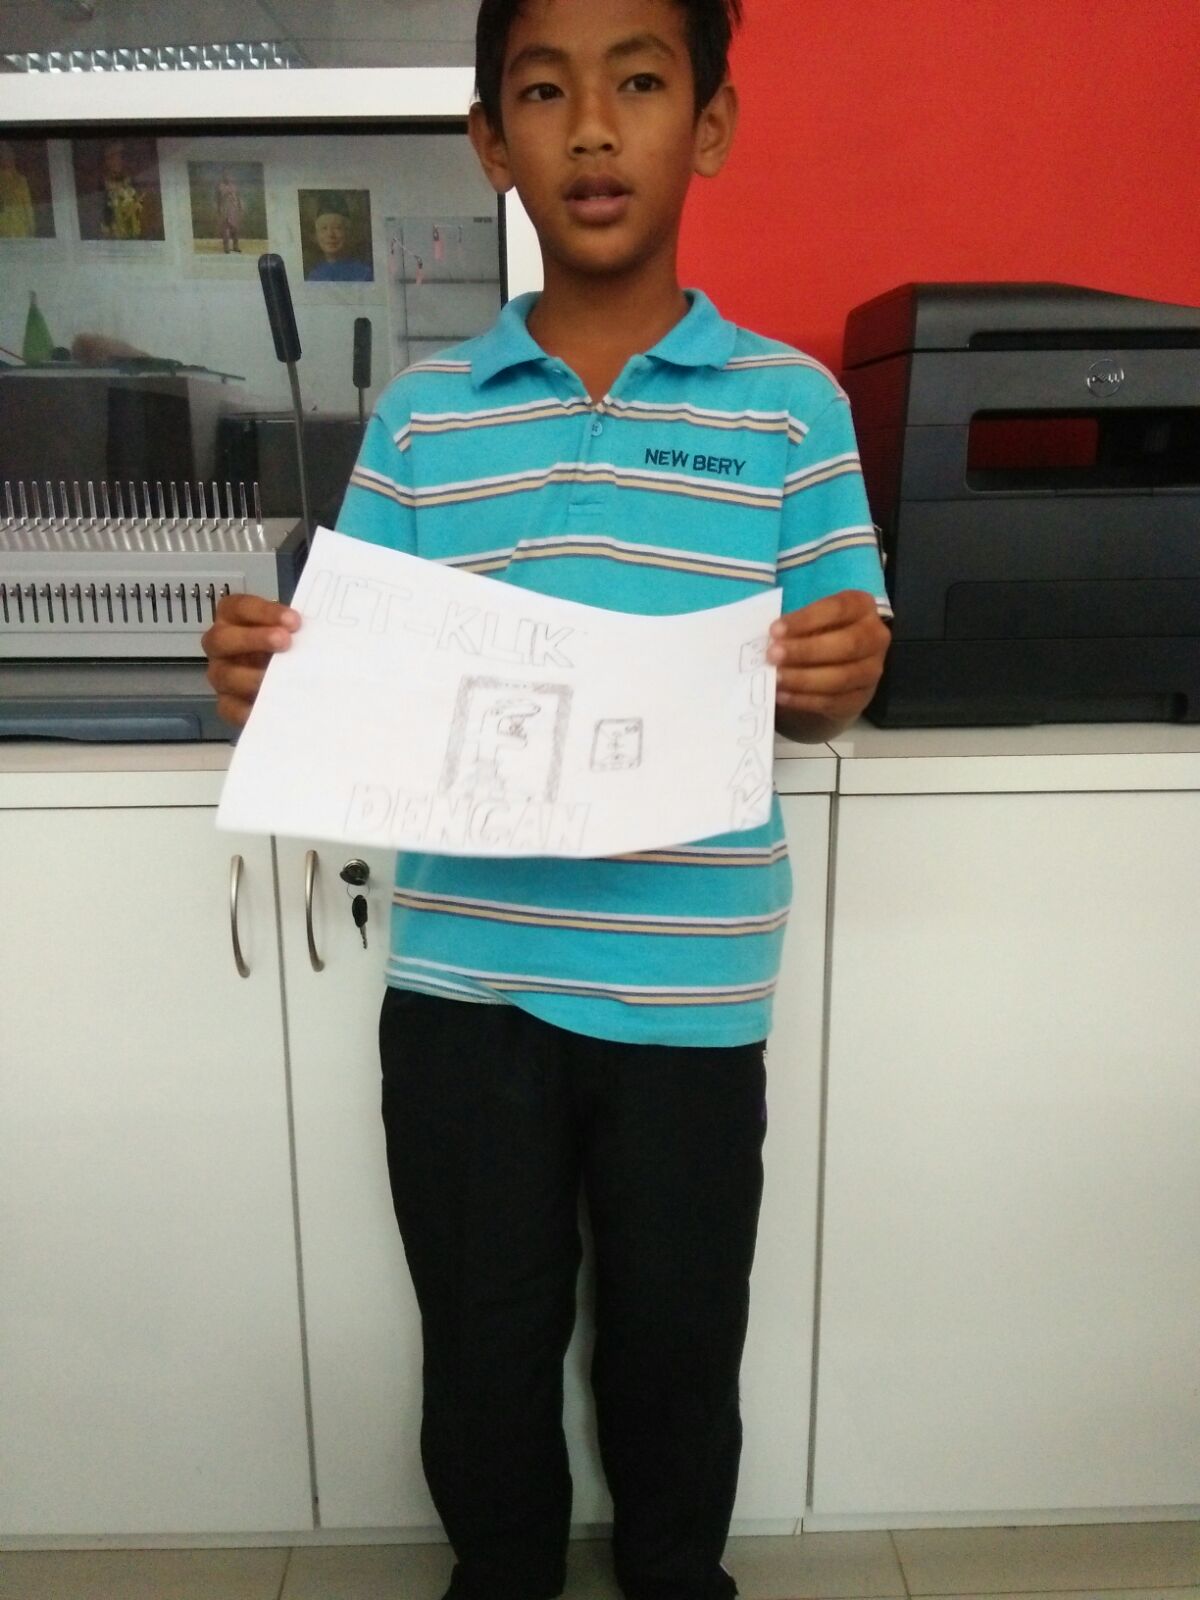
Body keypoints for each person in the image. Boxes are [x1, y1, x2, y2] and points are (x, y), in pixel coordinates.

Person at [202, 2, 892, 1596]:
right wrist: (270, 674)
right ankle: (500, 1577)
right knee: (482, 1348)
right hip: (467, 988)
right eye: (543, 88)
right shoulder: (426, 419)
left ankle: (675, 1578)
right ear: (489, 140)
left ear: (708, 124)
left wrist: (840, 671)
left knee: (675, 1347)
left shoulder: (789, 409)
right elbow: (354, 677)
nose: (591, 125)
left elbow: (833, 674)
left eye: (639, 82)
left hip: (688, 994)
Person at [305, 190, 373, 281]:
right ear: (316, 235)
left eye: (338, 228)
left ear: (348, 232)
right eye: (324, 228)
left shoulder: (364, 274)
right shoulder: (314, 275)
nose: (330, 235)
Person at [0, 141, 36, 238]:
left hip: (21, 232)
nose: (8, 157)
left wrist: (32, 230)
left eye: (9, 153)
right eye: (3, 154)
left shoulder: (21, 180)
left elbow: (28, 207)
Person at [215, 168, 244, 254]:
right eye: (225, 175)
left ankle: (235, 246)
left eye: (229, 175)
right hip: (225, 208)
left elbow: (238, 197)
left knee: (235, 229)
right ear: (223, 176)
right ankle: (226, 247)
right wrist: (218, 208)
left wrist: (240, 206)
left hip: (234, 209)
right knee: (226, 229)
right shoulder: (220, 186)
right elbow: (217, 199)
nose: (227, 177)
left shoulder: (234, 186)